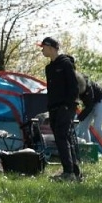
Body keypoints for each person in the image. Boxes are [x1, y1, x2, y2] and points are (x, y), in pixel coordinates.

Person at [39, 36, 83, 182]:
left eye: (43, 47)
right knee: (64, 138)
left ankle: (68, 172)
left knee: (62, 137)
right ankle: (74, 172)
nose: (42, 50)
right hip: (54, 107)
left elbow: (74, 86)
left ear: (51, 48)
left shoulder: (66, 64)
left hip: (66, 107)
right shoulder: (49, 68)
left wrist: (68, 105)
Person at [76, 71, 102, 158]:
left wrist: (78, 118)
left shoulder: (88, 87)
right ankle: (88, 153)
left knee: (98, 127)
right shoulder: (74, 84)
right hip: (91, 104)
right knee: (83, 127)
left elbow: (89, 106)